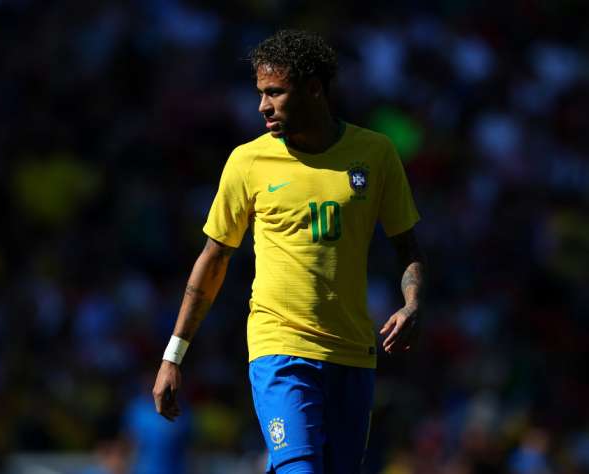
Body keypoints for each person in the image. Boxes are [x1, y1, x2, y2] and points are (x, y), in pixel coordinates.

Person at [153, 29, 426, 474]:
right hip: (280, 348)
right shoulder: (248, 162)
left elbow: (407, 246)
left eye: (275, 93)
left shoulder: (375, 154)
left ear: (314, 89)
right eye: (260, 93)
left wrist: (413, 303)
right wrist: (173, 356)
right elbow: (214, 259)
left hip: (353, 352)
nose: (262, 106)